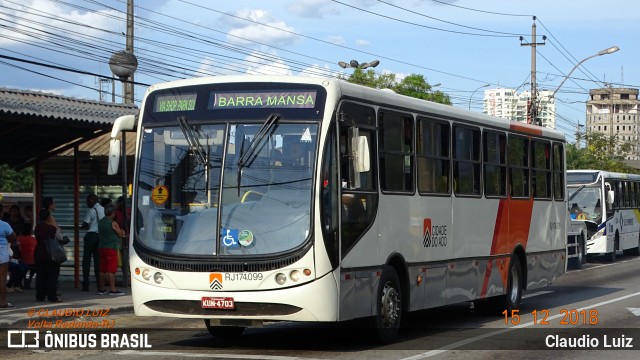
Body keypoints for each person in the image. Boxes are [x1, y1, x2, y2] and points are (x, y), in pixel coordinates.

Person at [34, 209, 63, 303]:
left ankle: (40, 296)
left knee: (40, 275)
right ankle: (52, 296)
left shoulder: (37, 227)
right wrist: (54, 224)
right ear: (48, 217)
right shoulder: (52, 228)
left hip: (39, 252)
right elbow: (59, 237)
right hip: (51, 253)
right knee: (52, 275)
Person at [97, 205, 125, 295]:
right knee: (111, 270)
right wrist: (122, 232)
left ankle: (101, 289)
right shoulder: (113, 223)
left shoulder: (100, 222)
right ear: (113, 213)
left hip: (101, 247)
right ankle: (113, 289)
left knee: (102, 269)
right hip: (111, 248)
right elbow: (120, 234)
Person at [81, 194, 104, 291]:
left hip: (91, 236)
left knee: (86, 260)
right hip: (100, 237)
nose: (86, 203)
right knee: (97, 261)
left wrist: (86, 226)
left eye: (88, 201)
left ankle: (86, 283)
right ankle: (100, 284)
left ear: (92, 200)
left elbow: (85, 224)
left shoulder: (91, 211)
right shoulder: (103, 209)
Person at [0, 217, 17, 308]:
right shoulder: (4, 224)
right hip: (2, 250)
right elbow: (13, 236)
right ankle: (2, 301)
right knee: (2, 278)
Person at [17, 222, 37, 289]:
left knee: (22, 266)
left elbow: (19, 250)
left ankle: (24, 278)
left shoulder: (19, 239)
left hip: (23, 260)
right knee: (35, 266)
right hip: (33, 262)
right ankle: (30, 277)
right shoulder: (34, 239)